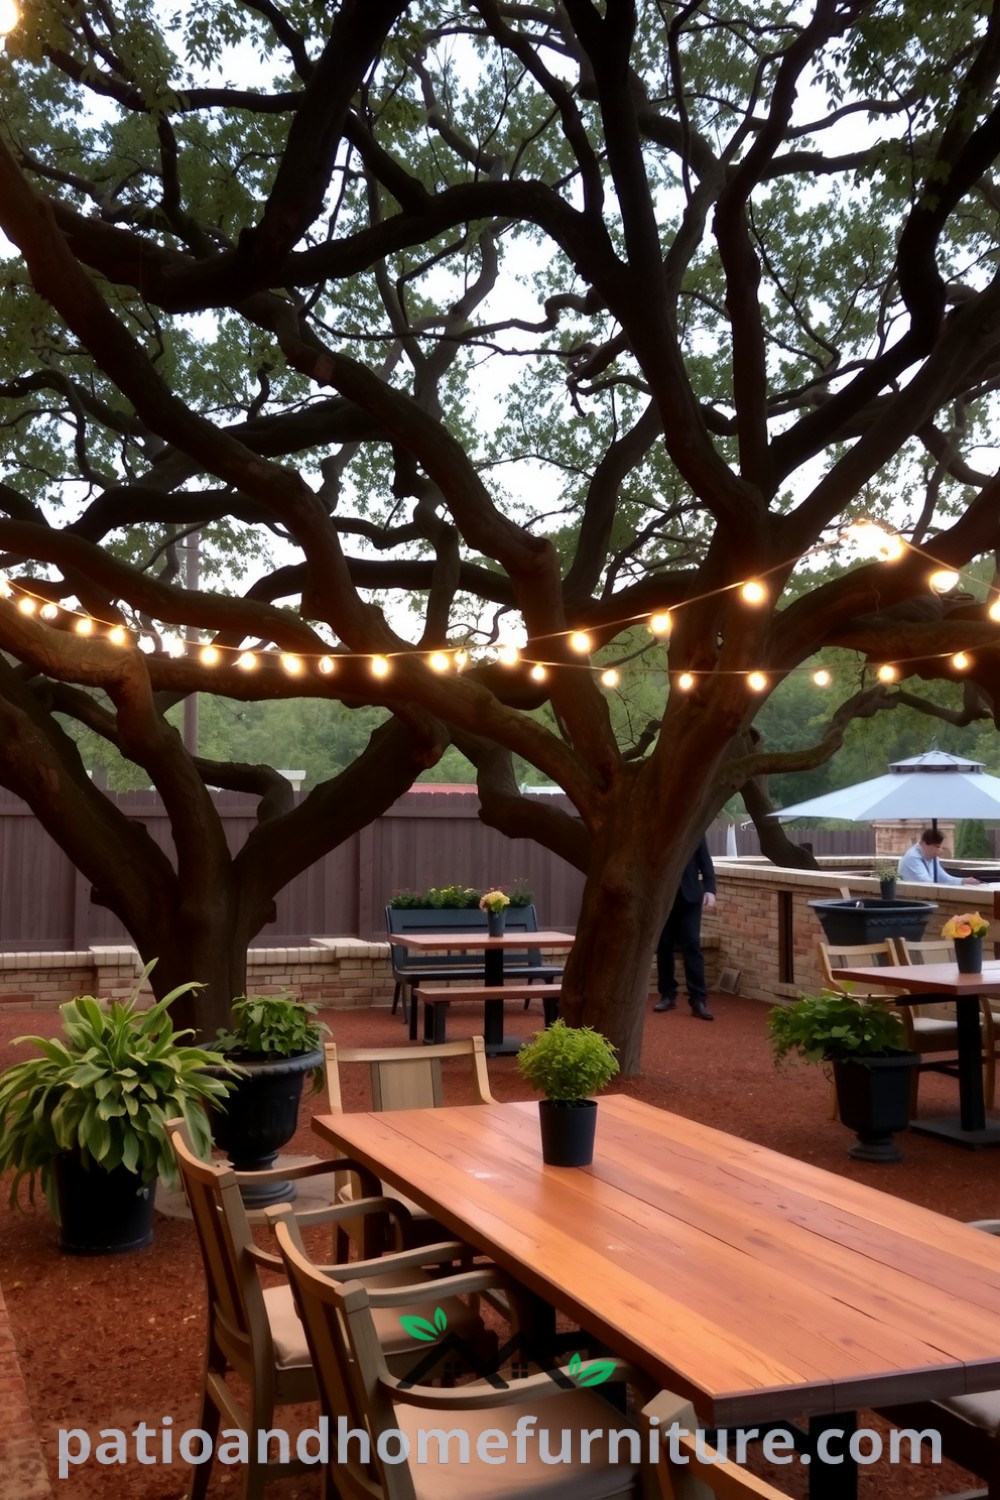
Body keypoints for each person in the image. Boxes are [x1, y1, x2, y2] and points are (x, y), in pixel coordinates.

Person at [654, 836, 717, 1020]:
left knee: (692, 942)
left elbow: (705, 859)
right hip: (663, 899)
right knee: (664, 945)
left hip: (690, 897)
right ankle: (667, 994)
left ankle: (698, 1000)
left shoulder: (695, 825)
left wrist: (710, 889)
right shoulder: (658, 828)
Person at [897, 828, 981, 886]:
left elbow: (942, 877)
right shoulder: (913, 858)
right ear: (924, 843)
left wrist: (963, 880)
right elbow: (926, 883)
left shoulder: (931, 857)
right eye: (937, 847)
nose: (940, 851)